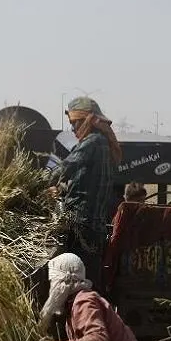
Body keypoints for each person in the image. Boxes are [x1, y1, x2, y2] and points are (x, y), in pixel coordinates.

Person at [48, 97, 123, 291]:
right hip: (93, 225)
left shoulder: (93, 141)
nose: (73, 128)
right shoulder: (102, 143)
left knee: (80, 281)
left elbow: (67, 165)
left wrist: (37, 182)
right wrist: (63, 189)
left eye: (75, 123)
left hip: (83, 224)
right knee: (89, 278)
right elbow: (85, 181)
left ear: (87, 120)